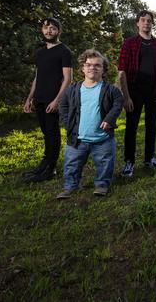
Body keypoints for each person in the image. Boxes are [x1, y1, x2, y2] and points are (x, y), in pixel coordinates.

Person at [56, 49, 124, 199]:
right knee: (72, 164)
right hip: (77, 139)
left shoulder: (110, 90)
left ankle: (102, 184)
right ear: (82, 68)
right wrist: (69, 124)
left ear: (103, 69)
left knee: (105, 163)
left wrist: (109, 119)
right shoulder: (73, 90)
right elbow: (63, 106)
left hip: (103, 138)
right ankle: (70, 186)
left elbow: (118, 103)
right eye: (88, 65)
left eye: (97, 65)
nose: (92, 68)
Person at [117, 10, 156, 176]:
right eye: (143, 20)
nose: (146, 23)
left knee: (151, 126)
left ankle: (149, 158)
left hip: (154, 91)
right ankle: (129, 162)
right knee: (131, 127)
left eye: (149, 20)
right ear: (137, 23)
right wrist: (126, 97)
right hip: (134, 91)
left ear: (152, 24)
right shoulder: (129, 43)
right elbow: (121, 72)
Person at [23, 17, 73, 182]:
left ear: (58, 31)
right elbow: (37, 76)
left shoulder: (64, 51)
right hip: (39, 98)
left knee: (52, 133)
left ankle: (51, 169)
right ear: (42, 30)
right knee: (46, 133)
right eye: (46, 28)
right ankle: (45, 164)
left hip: (53, 99)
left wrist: (57, 100)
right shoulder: (40, 52)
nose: (48, 31)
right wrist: (30, 97)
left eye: (52, 28)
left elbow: (67, 79)